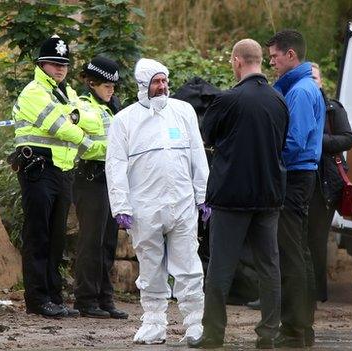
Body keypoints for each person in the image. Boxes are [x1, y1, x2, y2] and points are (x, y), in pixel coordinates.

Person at [188, 39, 289, 349]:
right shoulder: (278, 101)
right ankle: (269, 334)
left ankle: (214, 334)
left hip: (231, 197)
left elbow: (207, 136)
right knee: (269, 267)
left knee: (220, 267)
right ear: (259, 60)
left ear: (237, 61)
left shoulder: (227, 100)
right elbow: (281, 143)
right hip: (269, 196)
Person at [105, 58, 210, 344]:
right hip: (144, 208)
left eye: (164, 80)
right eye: (156, 82)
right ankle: (154, 323)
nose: (163, 86)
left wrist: (203, 195)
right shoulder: (124, 120)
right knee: (151, 267)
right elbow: (115, 165)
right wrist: (121, 206)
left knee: (188, 265)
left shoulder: (183, 111)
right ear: (143, 86)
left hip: (182, 203)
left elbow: (197, 156)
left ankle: (194, 324)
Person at [11, 35, 105, 318]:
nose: (60, 69)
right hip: (38, 170)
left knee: (56, 238)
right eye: (54, 64)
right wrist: (86, 140)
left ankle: (53, 297)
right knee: (38, 235)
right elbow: (59, 127)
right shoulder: (33, 92)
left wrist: (71, 115)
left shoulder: (66, 92)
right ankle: (37, 300)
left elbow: (93, 119)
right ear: (41, 65)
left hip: (62, 171)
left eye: (63, 64)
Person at [266, 29, 325, 348]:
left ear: (292, 55)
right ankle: (303, 327)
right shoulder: (301, 86)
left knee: (291, 254)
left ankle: (295, 330)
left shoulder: (301, 91)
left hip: (296, 175)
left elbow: (295, 141)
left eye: (275, 56)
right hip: (301, 175)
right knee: (298, 251)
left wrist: (270, 164)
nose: (271, 62)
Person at [72, 56, 128, 319]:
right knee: (90, 242)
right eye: (107, 85)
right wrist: (113, 150)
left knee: (107, 242)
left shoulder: (111, 106)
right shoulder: (83, 106)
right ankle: (85, 299)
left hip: (110, 179)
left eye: (114, 86)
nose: (112, 89)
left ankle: (105, 298)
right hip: (90, 177)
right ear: (92, 82)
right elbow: (82, 143)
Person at [308, 62, 352, 302]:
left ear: (322, 81)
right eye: (308, 77)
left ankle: (316, 294)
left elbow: (348, 139)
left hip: (327, 184)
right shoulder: (298, 104)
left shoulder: (333, 109)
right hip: (303, 181)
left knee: (316, 238)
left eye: (315, 77)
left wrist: (317, 141)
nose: (312, 81)